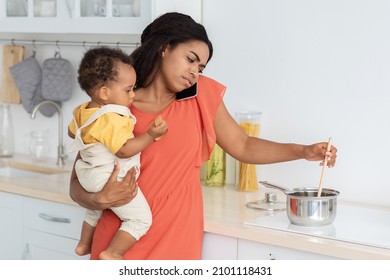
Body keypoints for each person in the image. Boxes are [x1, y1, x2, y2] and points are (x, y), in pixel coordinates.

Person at [69, 12, 337, 260]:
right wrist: (96, 200)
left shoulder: (201, 96)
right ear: (164, 47)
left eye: (201, 67)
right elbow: (81, 176)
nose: (195, 72)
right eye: (190, 59)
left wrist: (302, 151)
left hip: (177, 239)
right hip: (117, 243)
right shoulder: (115, 103)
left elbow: (243, 146)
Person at [68, 46, 168, 260]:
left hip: (87, 173)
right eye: (128, 89)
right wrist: (150, 135)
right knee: (141, 220)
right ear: (105, 92)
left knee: (94, 211)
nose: (133, 95)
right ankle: (113, 252)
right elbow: (123, 150)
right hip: (106, 176)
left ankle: (84, 243)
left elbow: (71, 133)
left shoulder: (83, 110)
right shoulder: (112, 117)